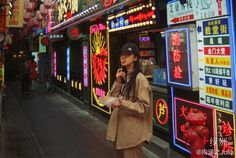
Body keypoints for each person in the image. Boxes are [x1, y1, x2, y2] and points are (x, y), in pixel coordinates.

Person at [106, 43, 153, 158]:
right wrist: (117, 82)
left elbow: (143, 107)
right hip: (121, 132)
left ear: (135, 58)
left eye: (127, 54)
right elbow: (113, 99)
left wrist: (122, 103)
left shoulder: (140, 79)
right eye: (122, 54)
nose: (123, 57)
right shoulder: (125, 77)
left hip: (132, 136)